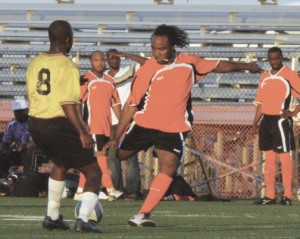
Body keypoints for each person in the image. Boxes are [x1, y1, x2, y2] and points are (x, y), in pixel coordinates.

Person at [103, 24, 262, 227]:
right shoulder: (148, 69)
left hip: (173, 127)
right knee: (115, 156)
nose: (157, 53)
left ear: (173, 47)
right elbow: (131, 104)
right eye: (153, 48)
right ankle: (90, 189)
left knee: (169, 167)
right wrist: (116, 136)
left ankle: (141, 214)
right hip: (145, 123)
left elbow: (219, 65)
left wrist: (247, 66)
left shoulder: (189, 63)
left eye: (161, 48)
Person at [26, 20, 102, 233]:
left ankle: (52, 217)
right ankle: (84, 219)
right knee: (93, 171)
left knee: (59, 163)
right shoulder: (68, 65)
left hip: (36, 122)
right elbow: (67, 104)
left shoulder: (34, 62)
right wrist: (82, 132)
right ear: (68, 40)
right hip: (57, 123)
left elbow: (33, 96)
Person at [252, 47, 300, 206]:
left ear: (282, 58)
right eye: (272, 59)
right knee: (269, 159)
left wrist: (293, 113)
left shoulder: (290, 75)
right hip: (266, 121)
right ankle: (270, 196)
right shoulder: (264, 76)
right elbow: (260, 102)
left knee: (285, 158)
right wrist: (254, 122)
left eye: (277, 59)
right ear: (268, 59)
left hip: (281, 120)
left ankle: (287, 196)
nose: (275, 62)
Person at [74, 50, 123, 202]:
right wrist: (81, 122)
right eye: (96, 60)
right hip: (92, 126)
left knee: (95, 160)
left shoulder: (110, 80)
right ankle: (110, 189)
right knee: (100, 157)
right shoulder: (86, 79)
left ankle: (80, 191)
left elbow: (116, 104)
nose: (100, 63)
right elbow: (77, 102)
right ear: (91, 62)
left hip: (106, 127)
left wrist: (122, 123)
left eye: (102, 60)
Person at [105, 49, 148, 200]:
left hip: (128, 120)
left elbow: (147, 63)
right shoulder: (103, 77)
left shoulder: (128, 71)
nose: (114, 59)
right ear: (107, 60)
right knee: (112, 157)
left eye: (117, 57)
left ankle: (133, 191)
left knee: (130, 155)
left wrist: (126, 54)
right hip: (110, 122)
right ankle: (116, 190)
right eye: (111, 57)